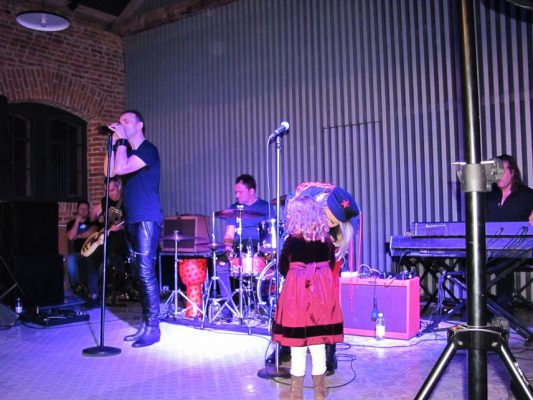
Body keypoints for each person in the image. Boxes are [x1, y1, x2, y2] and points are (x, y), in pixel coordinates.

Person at [267, 182, 360, 376]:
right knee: (294, 306)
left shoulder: (338, 234)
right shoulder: (307, 212)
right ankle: (285, 346)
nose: (328, 222)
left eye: (333, 222)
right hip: (300, 272)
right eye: (326, 216)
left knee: (326, 307)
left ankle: (329, 352)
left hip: (326, 273)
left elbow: (334, 261)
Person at [272, 195, 343, 400]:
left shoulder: (291, 241)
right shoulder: (327, 241)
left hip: (297, 296)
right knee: (318, 343)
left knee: (298, 346)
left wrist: (299, 273)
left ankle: (296, 393)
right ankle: (320, 392)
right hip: (321, 297)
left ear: (296, 216)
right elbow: (331, 266)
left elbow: (282, 268)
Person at [107, 110, 163, 348]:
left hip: (147, 218)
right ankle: (145, 324)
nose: (122, 124)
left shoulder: (148, 150)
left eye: (126, 121)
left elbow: (121, 169)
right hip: (131, 220)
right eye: (120, 122)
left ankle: (154, 328)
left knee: (145, 272)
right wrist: (113, 143)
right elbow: (110, 172)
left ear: (140, 125)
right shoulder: (125, 151)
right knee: (138, 274)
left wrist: (121, 140)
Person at [485, 154, 533, 314]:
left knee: (505, 260)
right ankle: (485, 304)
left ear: (513, 172)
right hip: (490, 249)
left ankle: (503, 309)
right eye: (495, 171)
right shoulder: (487, 196)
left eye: (502, 170)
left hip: (518, 251)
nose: (498, 174)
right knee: (467, 263)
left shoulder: (527, 196)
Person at [222, 174, 275, 319]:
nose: (236, 195)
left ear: (251, 191)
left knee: (272, 268)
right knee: (220, 266)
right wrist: (228, 249)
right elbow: (229, 233)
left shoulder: (266, 208)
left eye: (240, 192)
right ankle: (228, 308)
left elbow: (272, 235)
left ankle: (264, 306)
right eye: (235, 192)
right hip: (239, 248)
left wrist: (270, 253)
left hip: (260, 248)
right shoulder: (233, 209)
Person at [81, 176, 128, 308]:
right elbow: (102, 219)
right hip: (107, 235)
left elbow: (132, 220)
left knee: (113, 253)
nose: (110, 194)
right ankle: (94, 296)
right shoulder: (105, 201)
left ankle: (123, 283)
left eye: (112, 190)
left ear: (119, 187)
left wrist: (121, 227)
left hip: (122, 235)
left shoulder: (127, 200)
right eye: (107, 191)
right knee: (92, 258)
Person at [65, 201, 99, 300]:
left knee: (93, 261)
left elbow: (92, 232)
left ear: (88, 210)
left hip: (91, 253)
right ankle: (77, 288)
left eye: (85, 209)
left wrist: (78, 235)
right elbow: (70, 237)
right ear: (77, 210)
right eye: (81, 209)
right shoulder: (71, 223)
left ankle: (93, 293)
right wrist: (77, 222)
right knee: (70, 258)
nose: (83, 211)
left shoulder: (93, 222)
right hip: (78, 254)